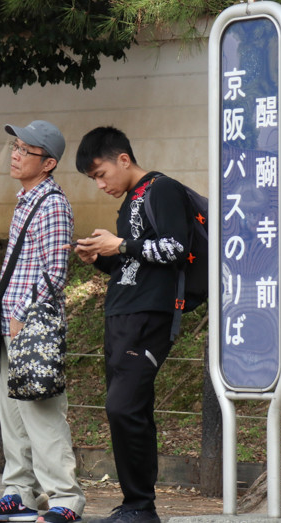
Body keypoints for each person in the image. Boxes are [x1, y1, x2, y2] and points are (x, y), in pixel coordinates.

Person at [69, 126, 192, 523]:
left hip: (149, 315)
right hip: (122, 314)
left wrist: (119, 245)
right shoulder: (131, 201)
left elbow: (176, 247)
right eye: (94, 180)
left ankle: (141, 505)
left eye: (101, 174)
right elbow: (136, 262)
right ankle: (135, 504)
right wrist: (101, 257)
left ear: (124, 159)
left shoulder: (162, 189)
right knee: (129, 409)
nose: (101, 184)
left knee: (122, 407)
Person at [0, 121, 86, 523]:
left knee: (42, 415)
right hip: (12, 325)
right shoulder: (25, 199)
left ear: (49, 163)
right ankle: (19, 492)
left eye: (26, 150)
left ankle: (65, 500)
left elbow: (56, 273)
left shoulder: (52, 204)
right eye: (15, 146)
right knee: (13, 415)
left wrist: (20, 316)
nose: (16, 154)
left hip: (33, 328)